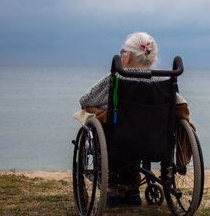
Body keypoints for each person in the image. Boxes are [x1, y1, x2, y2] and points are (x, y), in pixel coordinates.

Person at [78, 32, 193, 207]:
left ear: (129, 55)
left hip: (120, 142)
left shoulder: (117, 79)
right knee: (139, 126)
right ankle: (132, 190)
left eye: (123, 51)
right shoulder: (165, 82)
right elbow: (178, 104)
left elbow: (85, 100)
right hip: (156, 143)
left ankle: (114, 189)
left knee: (105, 119)